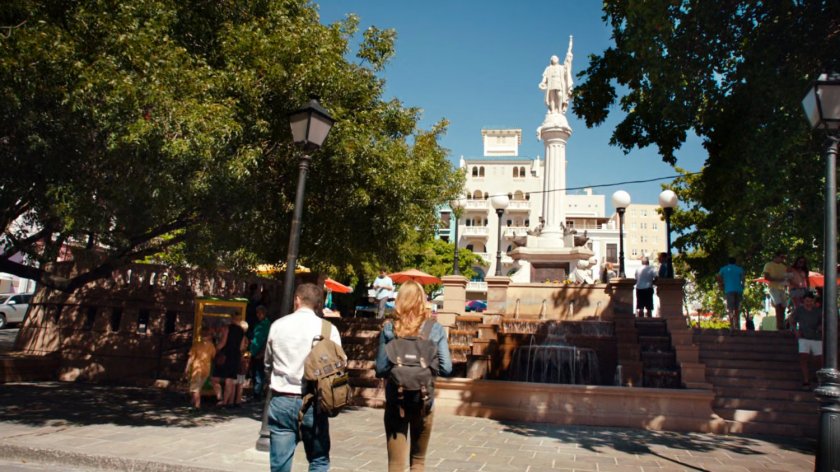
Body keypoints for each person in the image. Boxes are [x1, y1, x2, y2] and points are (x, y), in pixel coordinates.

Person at [375, 280, 452, 472]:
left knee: (395, 464)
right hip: (423, 401)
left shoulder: (389, 328)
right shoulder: (434, 329)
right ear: (422, 300)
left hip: (396, 401)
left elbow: (381, 368)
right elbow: (447, 368)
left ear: (399, 301)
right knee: (418, 462)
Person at [265, 283, 340, 472]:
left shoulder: (278, 325)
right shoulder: (329, 330)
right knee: (319, 460)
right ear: (317, 304)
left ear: (297, 300)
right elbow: (340, 365)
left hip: (282, 398)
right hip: (314, 401)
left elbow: (268, 362)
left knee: (279, 465)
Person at [212, 314, 246, 408]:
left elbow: (223, 342)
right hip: (235, 357)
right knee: (230, 379)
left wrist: (215, 349)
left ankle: (220, 398)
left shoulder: (227, 328)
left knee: (214, 378)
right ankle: (226, 402)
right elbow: (241, 347)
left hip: (226, 355)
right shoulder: (242, 331)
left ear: (232, 319)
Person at [790, 292, 822, 389]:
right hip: (803, 337)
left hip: (816, 337)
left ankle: (819, 377)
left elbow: (823, 321)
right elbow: (791, 320)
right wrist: (795, 331)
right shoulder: (799, 310)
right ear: (803, 301)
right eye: (807, 301)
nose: (809, 303)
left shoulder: (818, 311)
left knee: (819, 359)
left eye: (811, 301)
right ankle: (806, 380)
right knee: (803, 358)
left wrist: (821, 327)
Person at [538, 36, 574, 114]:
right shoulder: (548, 68)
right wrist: (543, 82)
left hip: (559, 83)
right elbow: (545, 77)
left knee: (560, 95)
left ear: (558, 59)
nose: (554, 58)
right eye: (552, 58)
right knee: (552, 97)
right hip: (551, 83)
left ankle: (559, 108)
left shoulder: (561, 67)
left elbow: (567, 62)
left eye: (555, 58)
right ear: (551, 60)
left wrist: (570, 48)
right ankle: (553, 110)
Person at [185, 327, 216, 410]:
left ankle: (197, 405)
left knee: (195, 388)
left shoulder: (196, 345)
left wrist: (187, 368)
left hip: (197, 368)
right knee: (199, 386)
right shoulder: (212, 346)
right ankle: (193, 401)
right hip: (206, 369)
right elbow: (213, 356)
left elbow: (191, 358)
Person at [717, 257, 746, 332]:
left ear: (728, 262)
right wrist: (742, 285)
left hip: (729, 290)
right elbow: (743, 278)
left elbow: (719, 277)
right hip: (738, 290)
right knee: (736, 308)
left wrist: (721, 285)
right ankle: (736, 324)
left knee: (730, 308)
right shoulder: (739, 269)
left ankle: (732, 325)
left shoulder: (723, 269)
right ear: (735, 262)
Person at [248, 305, 270, 402]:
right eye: (257, 313)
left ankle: (258, 394)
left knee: (259, 374)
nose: (258, 315)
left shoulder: (266, 324)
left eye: (260, 313)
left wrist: (262, 352)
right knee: (254, 372)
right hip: (254, 351)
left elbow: (267, 340)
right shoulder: (258, 324)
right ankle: (255, 392)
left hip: (261, 353)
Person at [763, 251, 789, 330]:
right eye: (781, 257)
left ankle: (782, 323)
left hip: (782, 288)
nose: (782, 259)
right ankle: (779, 325)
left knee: (783, 306)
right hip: (773, 288)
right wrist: (777, 279)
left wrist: (786, 281)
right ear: (776, 257)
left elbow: (786, 277)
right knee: (778, 305)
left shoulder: (783, 267)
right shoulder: (768, 265)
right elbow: (766, 277)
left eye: (783, 258)